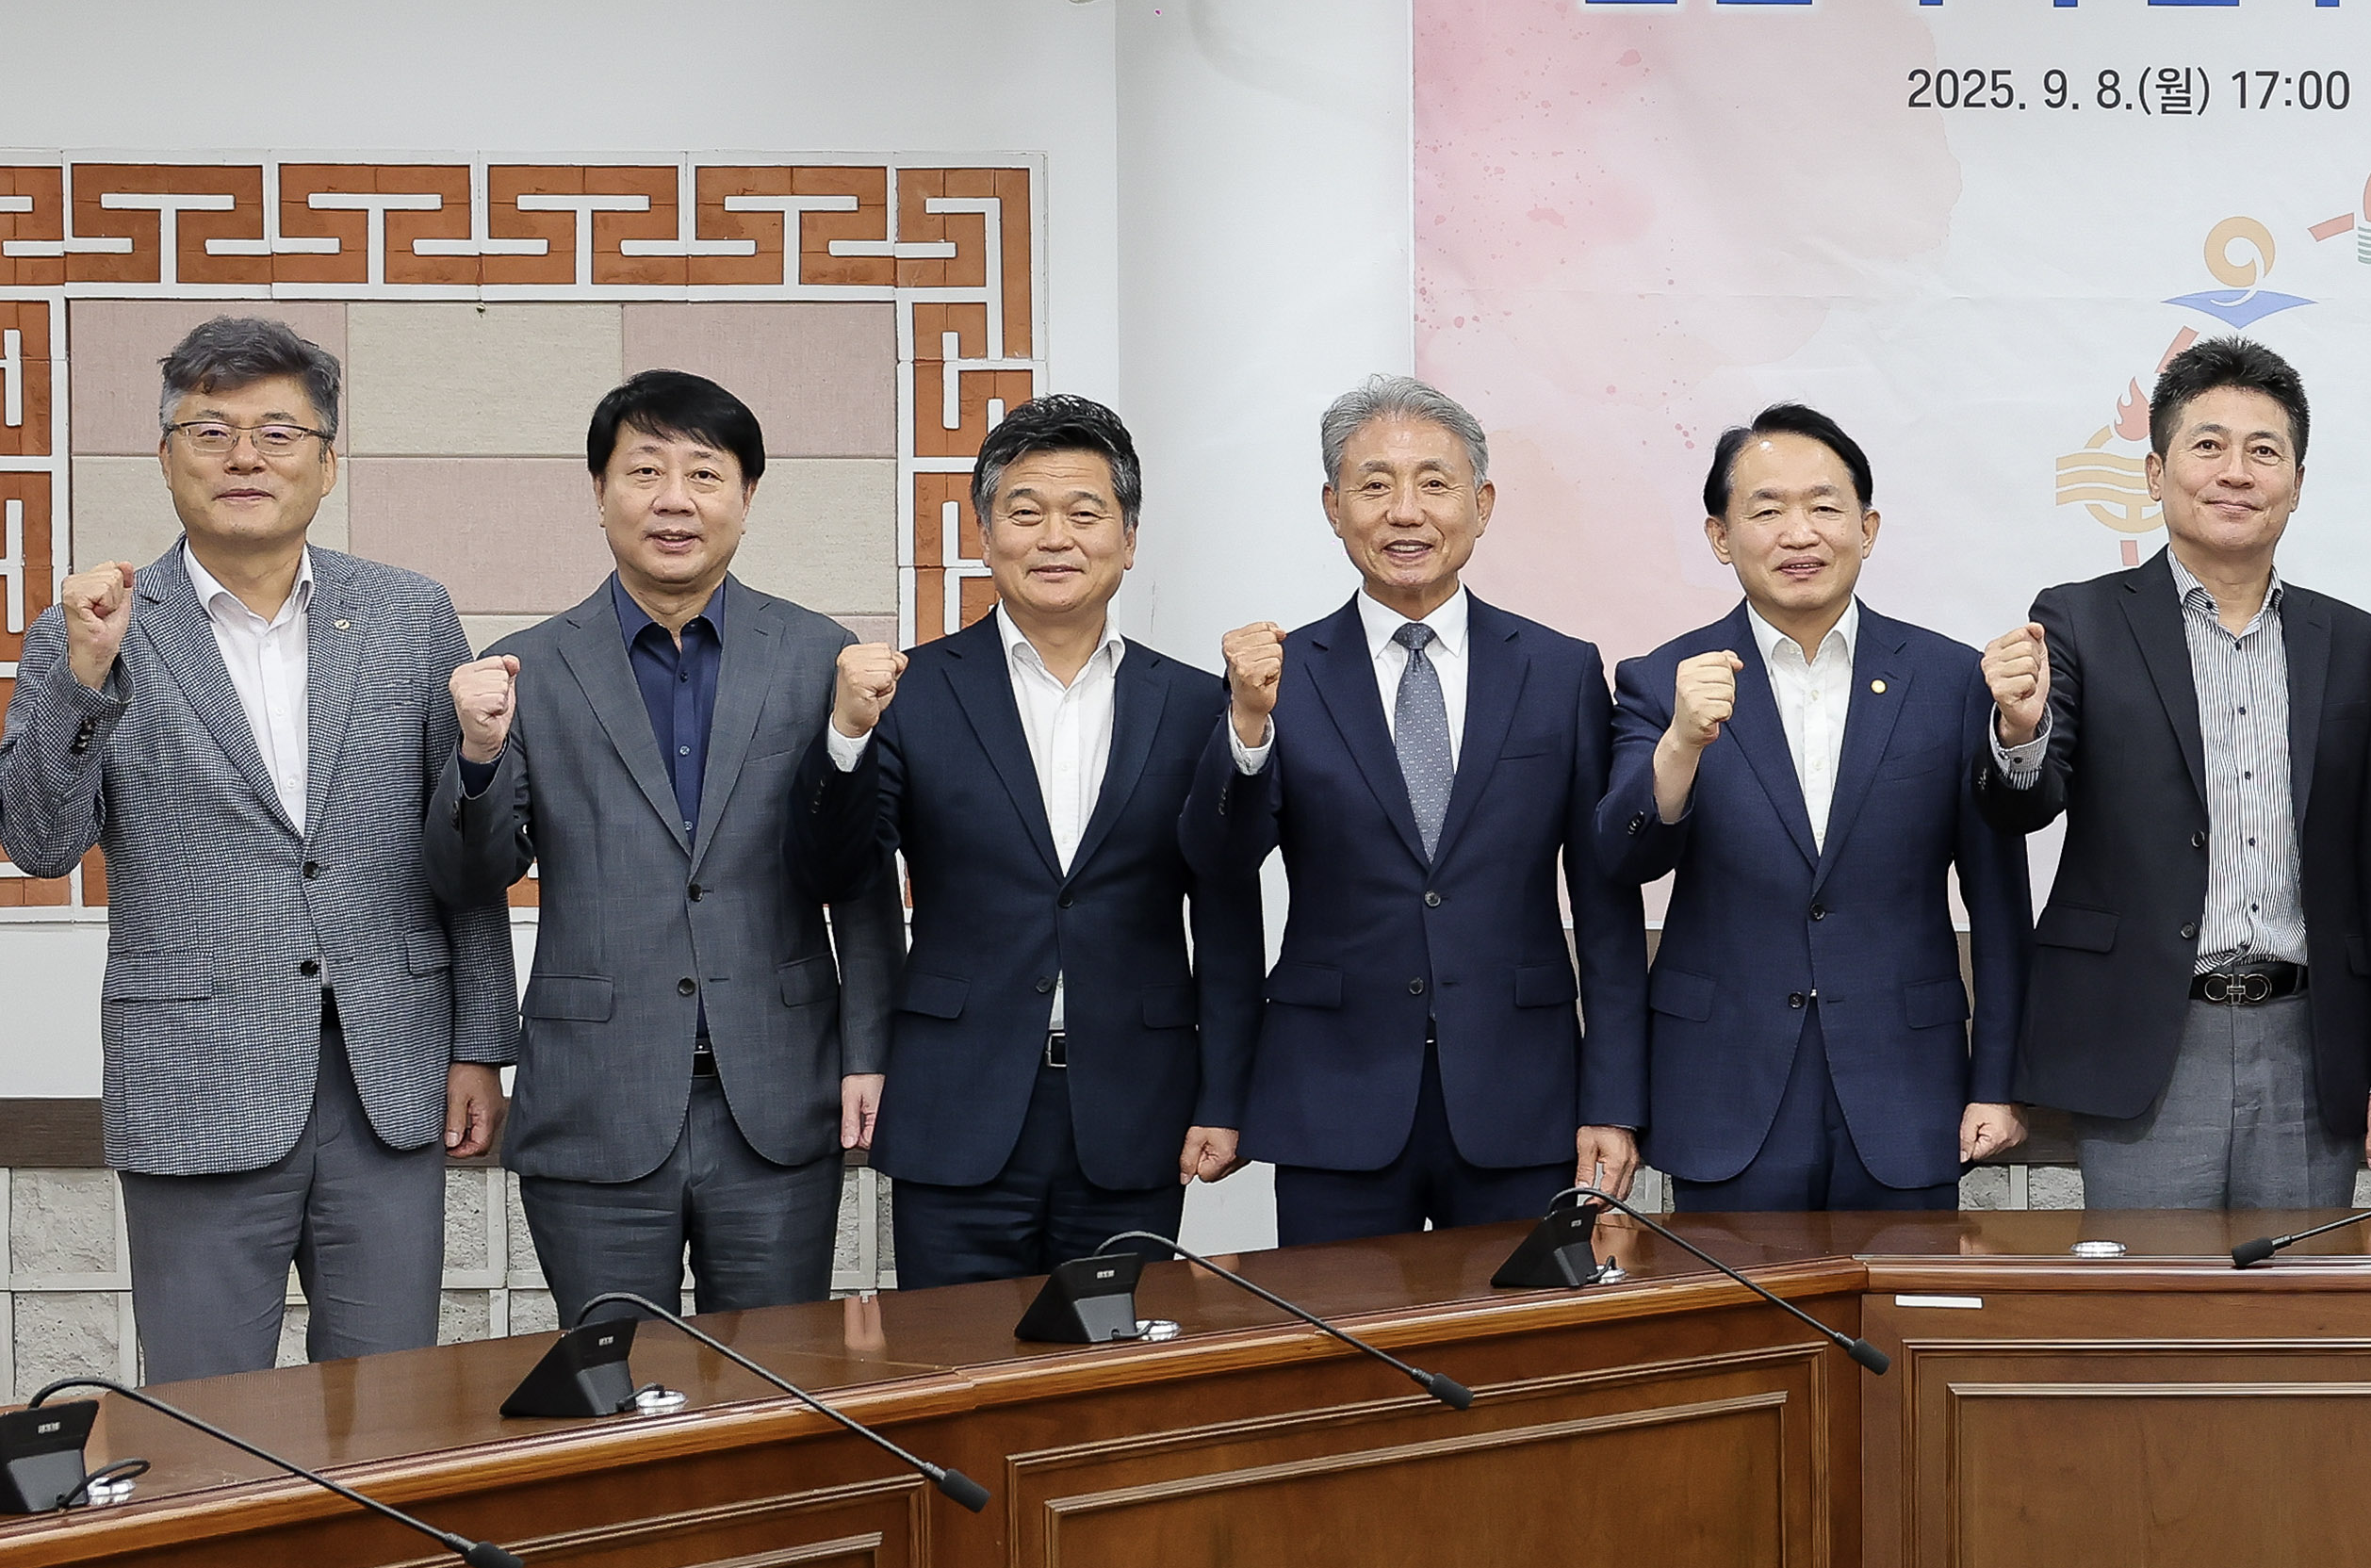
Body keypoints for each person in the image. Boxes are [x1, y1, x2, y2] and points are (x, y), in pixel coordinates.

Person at [0, 317, 513, 1380]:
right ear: (165, 457)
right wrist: (83, 678)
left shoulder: (410, 614)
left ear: (327, 462)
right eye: (212, 431)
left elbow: (460, 851)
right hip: (194, 1075)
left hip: (388, 1071)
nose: (245, 458)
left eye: (279, 433)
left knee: (391, 1406)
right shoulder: (94, 625)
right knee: (203, 1414)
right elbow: (42, 843)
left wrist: (479, 1042)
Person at [437, 370, 901, 1315]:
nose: (674, 500)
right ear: (599, 492)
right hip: (594, 1099)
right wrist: (478, 757)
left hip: (777, 1093)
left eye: (705, 473)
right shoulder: (531, 665)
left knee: (778, 1377)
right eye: (645, 471)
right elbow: (471, 876)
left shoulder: (818, 656)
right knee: (612, 1379)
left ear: (747, 496)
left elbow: (859, 875)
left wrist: (869, 1048)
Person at [801, 397, 1260, 1286]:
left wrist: (1225, 1094)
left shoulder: (1196, 703)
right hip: (955, 1105)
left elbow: (1229, 913)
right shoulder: (912, 693)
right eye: (1025, 512)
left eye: (1085, 513)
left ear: (1129, 538)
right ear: (985, 535)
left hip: (1135, 1111)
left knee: (1113, 1360)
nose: (1056, 538)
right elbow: (834, 868)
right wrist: (847, 736)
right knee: (953, 1361)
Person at [1183, 375, 1643, 1241]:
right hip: (1332, 1095)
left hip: (1523, 1096)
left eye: (1434, 482)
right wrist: (1246, 723)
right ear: (1333, 506)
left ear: (1482, 504)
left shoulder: (1560, 671)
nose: (1406, 512)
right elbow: (1219, 862)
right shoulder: (1280, 674)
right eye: (1375, 485)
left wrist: (1612, 1100)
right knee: (1342, 1331)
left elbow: (1605, 901)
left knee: (1521, 1328)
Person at [1974, 340, 2371, 1208]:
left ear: (2298, 483)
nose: (2236, 473)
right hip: (2144, 1039)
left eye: (2264, 451)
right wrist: (2019, 731)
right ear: (2156, 473)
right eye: (2208, 445)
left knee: (2298, 1293)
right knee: (2149, 1294)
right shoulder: (2079, 620)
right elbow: (2023, 806)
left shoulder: (2353, 642)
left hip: (2310, 1044)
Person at [1608, 404, 2030, 1212]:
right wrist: (1680, 746)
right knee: (1742, 1302)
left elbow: (2000, 900)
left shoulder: (1951, 680)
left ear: (1867, 529)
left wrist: (1998, 1080)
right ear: (1720, 536)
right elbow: (1621, 858)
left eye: (1825, 507)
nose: (1799, 533)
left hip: (1907, 1087)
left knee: (1905, 1296)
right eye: (1766, 510)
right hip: (1725, 1085)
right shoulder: (1663, 680)